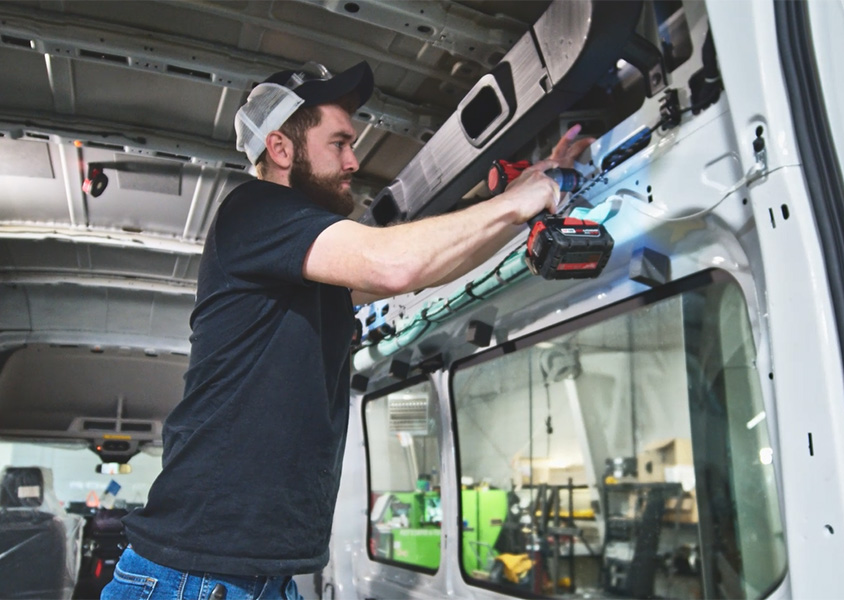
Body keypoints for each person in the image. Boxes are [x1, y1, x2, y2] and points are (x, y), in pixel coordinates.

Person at [103, 61, 591, 600]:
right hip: (195, 578)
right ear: (282, 149)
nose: (354, 160)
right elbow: (394, 265)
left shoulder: (303, 263)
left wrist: (519, 206)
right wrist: (511, 202)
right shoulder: (255, 210)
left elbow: (431, 267)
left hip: (253, 577)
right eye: (338, 143)